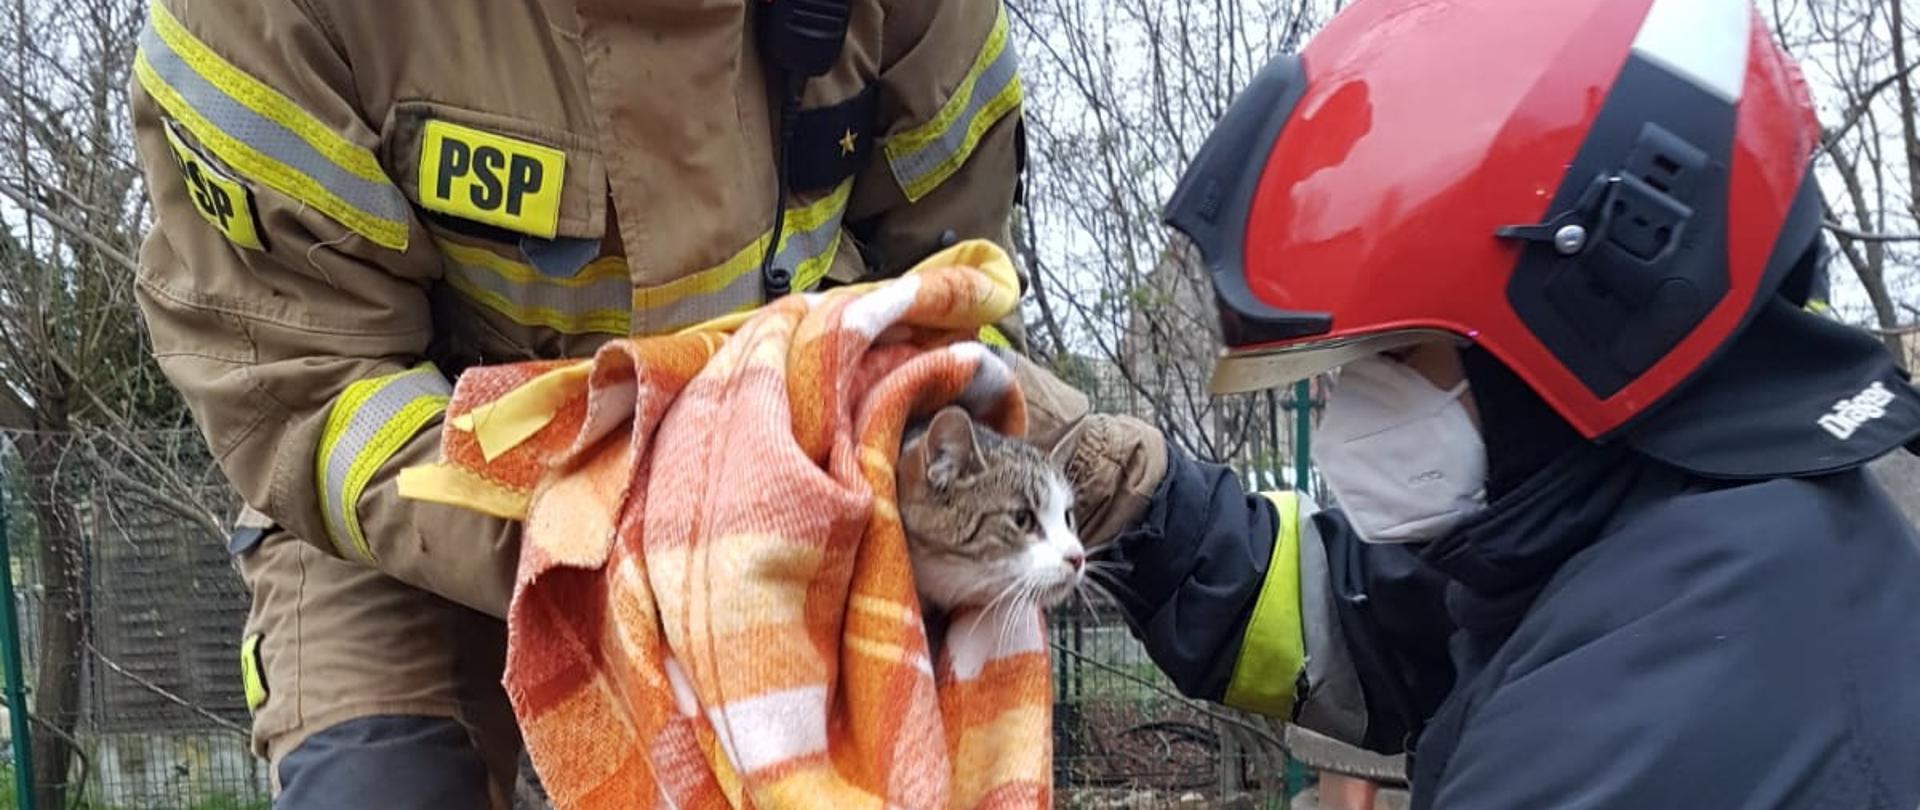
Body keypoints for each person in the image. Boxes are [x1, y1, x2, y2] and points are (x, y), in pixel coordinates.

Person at [125, 0, 1167, 806]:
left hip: (810, 498)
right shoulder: (278, 22)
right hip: (429, 508)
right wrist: (626, 532)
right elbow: (310, 385)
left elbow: (944, 291)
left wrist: (1098, 473)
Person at [1040, 0, 1920, 806]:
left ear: (1590, 319)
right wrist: (1126, 492)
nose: (1354, 402)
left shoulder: (1651, 722)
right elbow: (1380, 618)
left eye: (1394, 352)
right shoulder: (1644, 525)